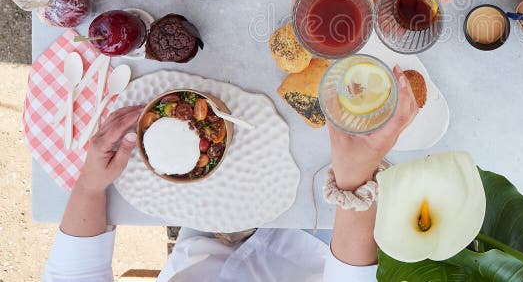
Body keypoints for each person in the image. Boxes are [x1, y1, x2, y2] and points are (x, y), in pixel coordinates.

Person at [42, 65, 418, 281]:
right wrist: (354, 184)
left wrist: (91, 184)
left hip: (205, 230)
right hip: (322, 241)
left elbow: (71, 278)